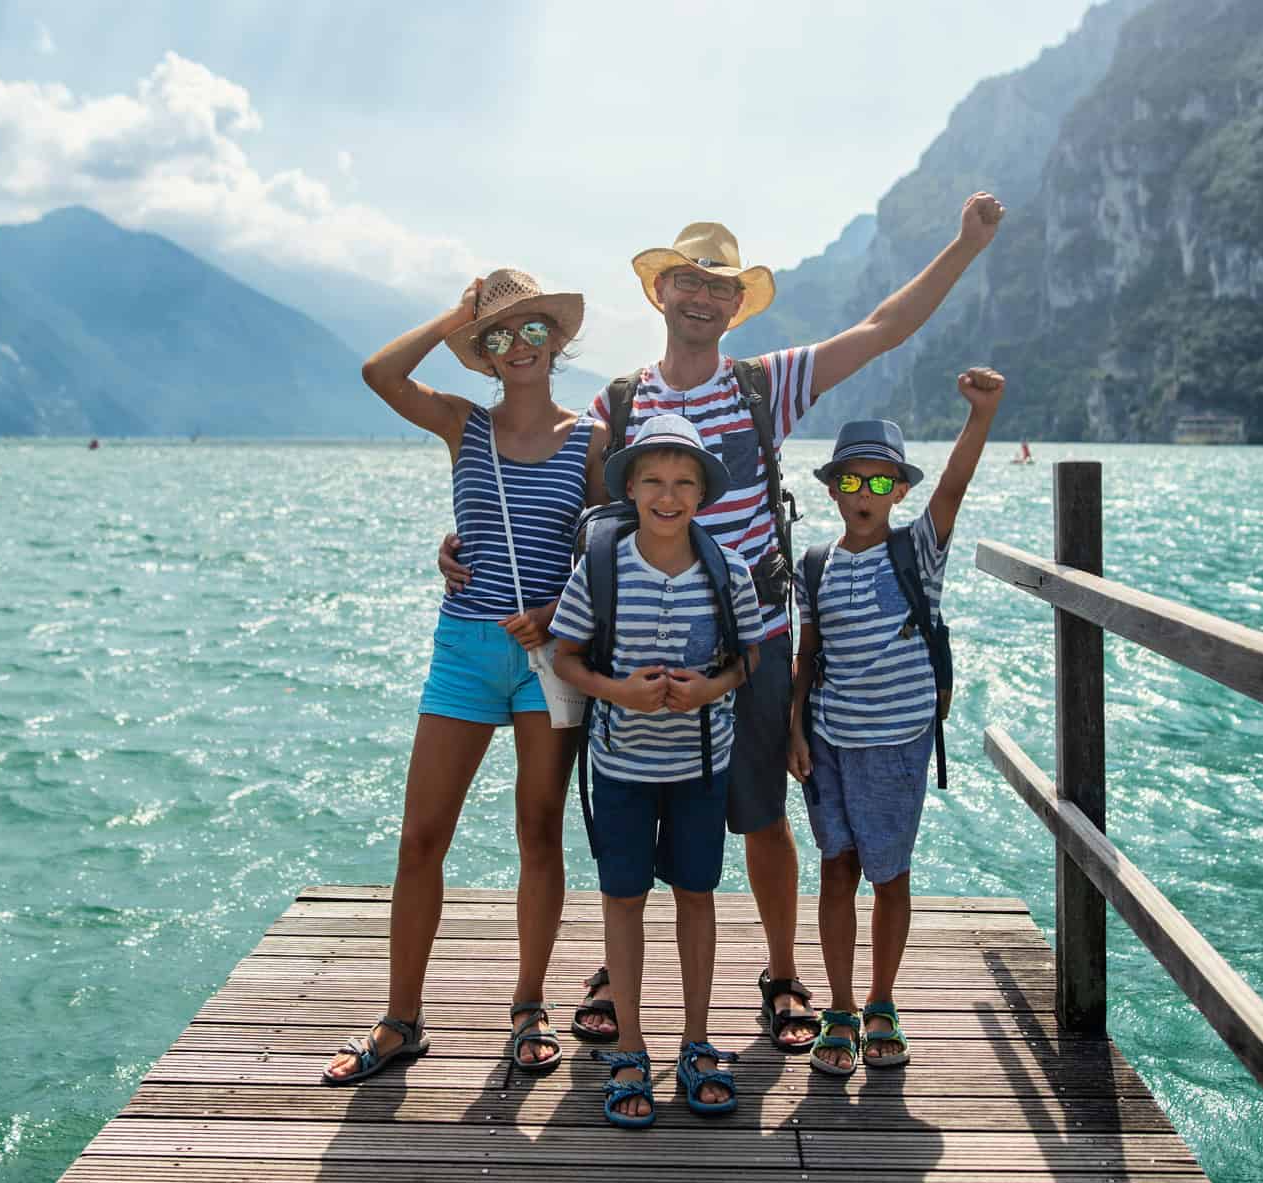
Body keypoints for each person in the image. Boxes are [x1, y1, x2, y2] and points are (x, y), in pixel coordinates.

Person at [441, 193, 1006, 1049]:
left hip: (754, 633)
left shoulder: (763, 385)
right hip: (635, 638)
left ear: (736, 305)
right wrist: (464, 546)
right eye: (687, 282)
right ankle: (613, 971)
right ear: (659, 291)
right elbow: (569, 506)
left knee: (761, 810)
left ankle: (782, 974)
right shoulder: (616, 407)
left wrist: (963, 244)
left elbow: (886, 326)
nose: (702, 299)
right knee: (629, 798)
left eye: (719, 288)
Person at [324, 269, 594, 1084]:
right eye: (499, 336)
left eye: (531, 330)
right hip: (463, 652)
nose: (518, 346)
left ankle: (527, 1006)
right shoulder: (462, 426)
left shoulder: (591, 439)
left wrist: (556, 609)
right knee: (420, 838)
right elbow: (379, 374)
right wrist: (457, 314)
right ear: (483, 353)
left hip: (548, 661)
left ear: (556, 338)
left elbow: (603, 552)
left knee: (539, 834)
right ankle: (401, 1018)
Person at [788, 368, 1006, 1078]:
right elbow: (807, 650)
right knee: (835, 866)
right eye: (852, 482)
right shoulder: (814, 564)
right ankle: (842, 1007)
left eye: (881, 484)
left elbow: (955, 485)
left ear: (900, 492)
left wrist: (981, 414)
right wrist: (794, 727)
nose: (865, 495)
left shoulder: (917, 550)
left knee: (889, 873)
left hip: (896, 741)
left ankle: (882, 999)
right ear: (830, 488)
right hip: (828, 740)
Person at [549, 415, 763, 1126]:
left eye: (682, 484)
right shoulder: (601, 567)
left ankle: (697, 1038)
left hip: (701, 762)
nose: (667, 497)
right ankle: (631, 1045)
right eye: (653, 483)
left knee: (696, 893)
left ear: (701, 495)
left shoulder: (726, 569)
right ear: (631, 488)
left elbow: (749, 656)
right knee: (624, 898)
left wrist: (709, 688)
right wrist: (617, 692)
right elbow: (566, 655)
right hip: (620, 765)